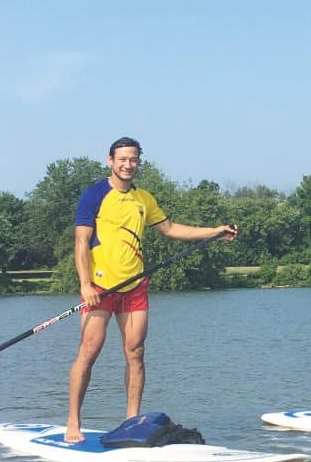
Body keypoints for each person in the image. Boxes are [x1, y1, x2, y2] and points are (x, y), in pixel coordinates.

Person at [65, 137, 237, 442]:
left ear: (138, 162)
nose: (128, 164)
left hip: (134, 287)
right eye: (122, 159)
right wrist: (85, 283)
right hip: (101, 288)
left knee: (136, 353)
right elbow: (81, 242)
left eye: (133, 159)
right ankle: (73, 422)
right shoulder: (94, 195)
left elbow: (170, 229)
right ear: (110, 160)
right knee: (89, 352)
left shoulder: (143, 198)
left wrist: (214, 232)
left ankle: (132, 421)